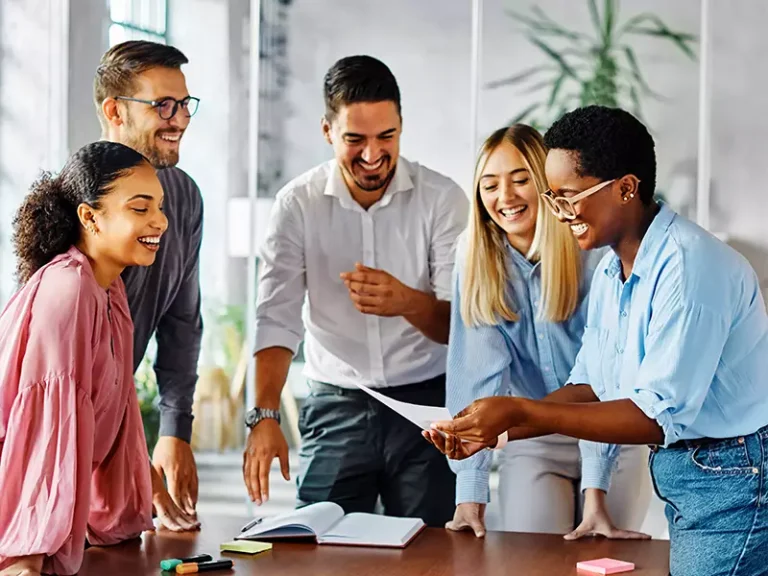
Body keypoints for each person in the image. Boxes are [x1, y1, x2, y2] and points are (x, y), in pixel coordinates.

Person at [427, 105, 768, 576]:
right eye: (553, 196)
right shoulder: (614, 267)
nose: (559, 213)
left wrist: (521, 410)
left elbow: (655, 414)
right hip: (693, 474)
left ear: (626, 189)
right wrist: (494, 431)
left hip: (737, 478)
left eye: (568, 196)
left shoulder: (689, 268)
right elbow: (593, 382)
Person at [243, 55, 468, 526]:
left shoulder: (442, 199)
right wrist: (264, 415)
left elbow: (461, 328)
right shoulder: (296, 205)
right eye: (355, 139)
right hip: (336, 404)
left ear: (402, 125)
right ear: (327, 132)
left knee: (432, 551)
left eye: (386, 136)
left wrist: (406, 301)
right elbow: (276, 317)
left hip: (427, 404)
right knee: (319, 546)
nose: (372, 154)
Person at [445, 124, 650, 539]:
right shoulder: (475, 261)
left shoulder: (592, 252)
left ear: (549, 186)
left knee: (603, 558)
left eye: (521, 180)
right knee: (529, 557)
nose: (505, 197)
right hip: (533, 439)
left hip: (615, 438)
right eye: (490, 185)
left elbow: (603, 383)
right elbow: (476, 382)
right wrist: (469, 493)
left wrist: (596, 494)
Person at [0, 141, 168, 576]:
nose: (160, 221)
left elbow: (115, 411)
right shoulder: (69, 289)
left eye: (159, 207)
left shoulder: (110, 290)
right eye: (140, 208)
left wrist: (129, 504)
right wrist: (28, 555)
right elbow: (43, 429)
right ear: (90, 217)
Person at [94, 40, 203, 530]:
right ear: (115, 111)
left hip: (118, 432)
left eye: (183, 104)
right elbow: (76, 368)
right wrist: (136, 458)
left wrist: (175, 429)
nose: (178, 118)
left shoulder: (184, 197)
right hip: (65, 434)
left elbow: (182, 323)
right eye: (162, 104)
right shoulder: (74, 204)